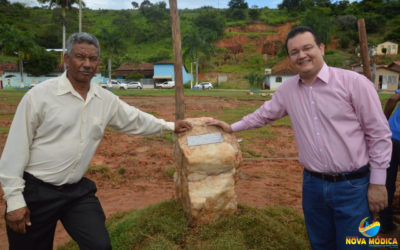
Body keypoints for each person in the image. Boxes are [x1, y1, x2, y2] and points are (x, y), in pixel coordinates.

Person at [0, 32, 192, 250]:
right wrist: (14, 199)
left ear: (98, 63)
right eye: (80, 57)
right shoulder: (39, 96)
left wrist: (169, 126)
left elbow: (134, 118)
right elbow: (15, 149)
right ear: (66, 59)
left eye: (93, 59)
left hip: (75, 191)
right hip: (37, 191)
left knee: (99, 245)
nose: (87, 64)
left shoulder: (104, 99)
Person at [207, 26, 392, 249]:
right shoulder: (288, 91)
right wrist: (231, 127)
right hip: (313, 186)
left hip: (353, 187)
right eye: (294, 52)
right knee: (320, 243)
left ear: (321, 48)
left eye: (307, 48)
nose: (302, 55)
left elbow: (379, 134)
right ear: (289, 58)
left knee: (355, 245)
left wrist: (378, 184)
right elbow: (263, 115)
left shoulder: (354, 83)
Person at [379, 89, 400, 233]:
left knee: (388, 181)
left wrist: (384, 121)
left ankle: (385, 222)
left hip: (393, 137)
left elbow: (393, 99)